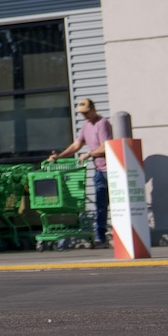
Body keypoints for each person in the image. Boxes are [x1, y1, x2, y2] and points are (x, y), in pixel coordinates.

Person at [48, 98, 112, 245]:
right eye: (82, 114)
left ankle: (114, 234)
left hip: (110, 170)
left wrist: (89, 154)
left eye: (87, 113)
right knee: (100, 204)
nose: (85, 116)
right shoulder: (86, 126)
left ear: (93, 109)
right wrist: (59, 156)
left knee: (114, 203)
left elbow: (106, 146)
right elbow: (77, 145)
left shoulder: (102, 124)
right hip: (98, 170)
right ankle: (100, 236)